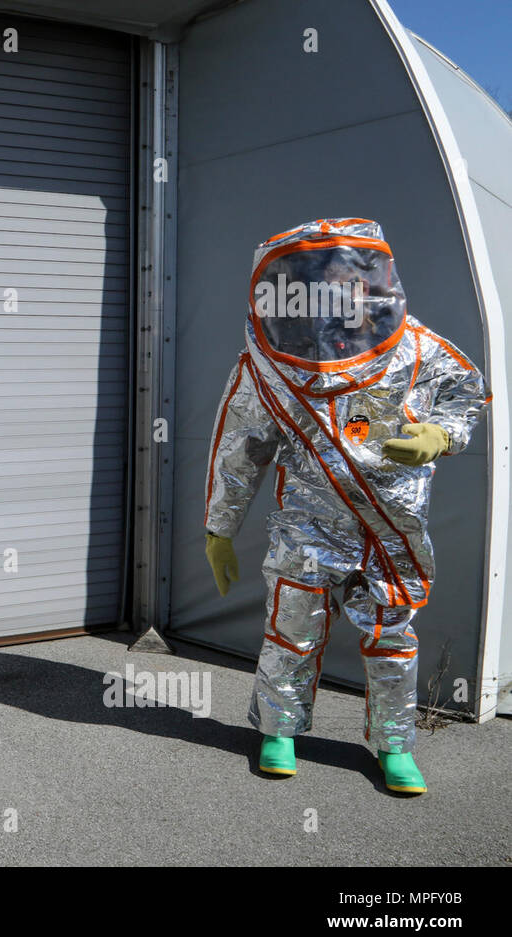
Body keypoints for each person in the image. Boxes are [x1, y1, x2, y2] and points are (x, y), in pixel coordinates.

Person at [203, 218, 489, 793]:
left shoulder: (413, 347)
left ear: (371, 280)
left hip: (390, 526)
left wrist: (441, 433)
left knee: (392, 639)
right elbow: (240, 448)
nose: (331, 288)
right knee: (291, 631)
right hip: (306, 525)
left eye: (344, 275)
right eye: (316, 277)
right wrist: (219, 528)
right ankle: (279, 732)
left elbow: (466, 391)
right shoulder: (267, 363)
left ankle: (394, 745)